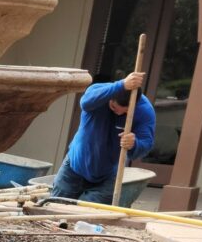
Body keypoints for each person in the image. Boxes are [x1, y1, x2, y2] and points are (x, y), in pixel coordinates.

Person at [50, 71, 155, 204]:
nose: (119, 113)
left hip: (107, 174)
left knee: (89, 217)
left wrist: (135, 144)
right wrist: (121, 85)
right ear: (110, 98)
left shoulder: (144, 110)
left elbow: (146, 143)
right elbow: (85, 103)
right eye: (114, 108)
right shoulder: (100, 92)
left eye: (126, 112)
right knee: (56, 207)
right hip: (74, 166)